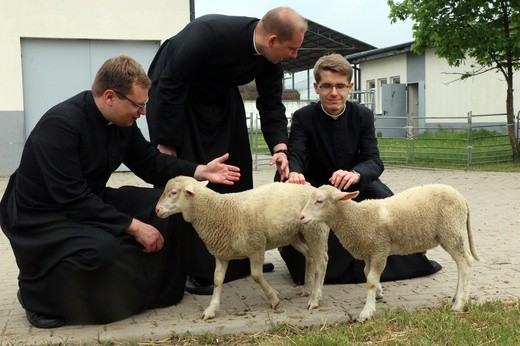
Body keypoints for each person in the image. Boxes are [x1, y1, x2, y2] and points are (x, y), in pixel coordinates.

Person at [0, 55, 242, 328]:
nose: (143, 112)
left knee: (170, 209)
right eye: (138, 105)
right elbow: (70, 197)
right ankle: (37, 299)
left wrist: (198, 171)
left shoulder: (121, 124)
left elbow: (149, 162)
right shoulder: (60, 126)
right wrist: (133, 226)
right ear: (110, 97)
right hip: (42, 214)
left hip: (89, 198)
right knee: (103, 251)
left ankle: (157, 291)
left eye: (145, 104)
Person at [146, 7, 308, 295]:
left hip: (221, 97)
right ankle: (193, 269)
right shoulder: (207, 33)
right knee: (191, 183)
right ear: (272, 40)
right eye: (292, 49)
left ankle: (241, 260)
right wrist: (166, 140)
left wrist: (280, 147)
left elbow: (271, 104)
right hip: (179, 100)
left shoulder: (272, 59)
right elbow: (169, 84)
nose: (295, 55)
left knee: (237, 173)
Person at [279, 53, 442, 284]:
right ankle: (295, 255)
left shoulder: (363, 115)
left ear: (350, 86)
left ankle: (411, 255)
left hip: (354, 182)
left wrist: (356, 174)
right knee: (302, 216)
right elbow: (296, 152)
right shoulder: (303, 117)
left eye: (340, 86)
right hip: (316, 186)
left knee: (387, 201)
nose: (333, 93)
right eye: (326, 86)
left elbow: (373, 159)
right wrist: (295, 171)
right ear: (316, 87)